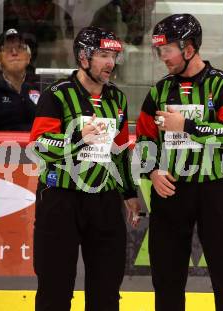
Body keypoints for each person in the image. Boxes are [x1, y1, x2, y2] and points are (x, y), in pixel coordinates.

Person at [136, 14, 223, 311]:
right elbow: (144, 140)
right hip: (171, 191)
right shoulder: (159, 90)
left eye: (167, 49)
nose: (163, 57)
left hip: (217, 190)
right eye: (159, 50)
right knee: (167, 278)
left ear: (188, 48)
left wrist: (187, 126)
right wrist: (152, 171)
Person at [29, 26, 141, 311]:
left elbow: (119, 150)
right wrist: (78, 137)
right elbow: (39, 146)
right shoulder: (57, 95)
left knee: (106, 292)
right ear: (83, 57)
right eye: (103, 55)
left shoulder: (117, 99)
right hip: (60, 200)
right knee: (55, 290)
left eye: (113, 56)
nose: (110, 63)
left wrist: (129, 192)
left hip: (104, 202)